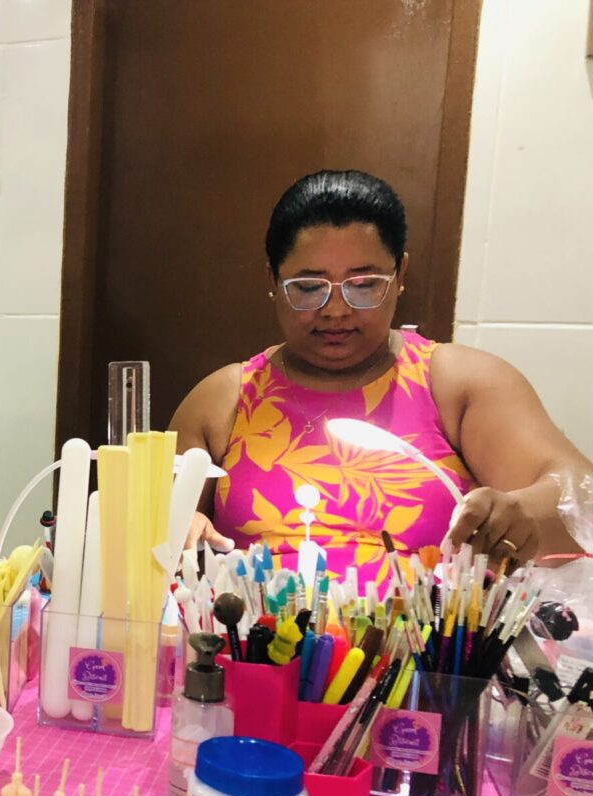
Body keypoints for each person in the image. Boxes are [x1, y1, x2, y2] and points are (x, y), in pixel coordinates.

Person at [170, 169, 592, 582]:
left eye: (364, 284)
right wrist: (176, 530)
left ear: (400, 276)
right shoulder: (224, 399)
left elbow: (581, 496)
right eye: (308, 287)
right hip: (252, 647)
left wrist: (519, 515)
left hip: (426, 646)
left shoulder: (459, 384)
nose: (336, 309)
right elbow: (150, 532)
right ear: (273, 281)